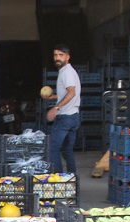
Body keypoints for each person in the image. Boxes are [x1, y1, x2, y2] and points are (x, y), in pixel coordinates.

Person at [43, 44, 81, 175]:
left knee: (53, 149)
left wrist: (56, 107)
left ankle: (58, 180)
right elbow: (67, 93)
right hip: (73, 116)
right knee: (67, 151)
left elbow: (71, 92)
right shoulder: (68, 71)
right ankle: (71, 179)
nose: (57, 58)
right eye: (55, 55)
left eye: (61, 55)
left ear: (68, 57)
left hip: (65, 117)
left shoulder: (67, 72)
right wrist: (53, 97)